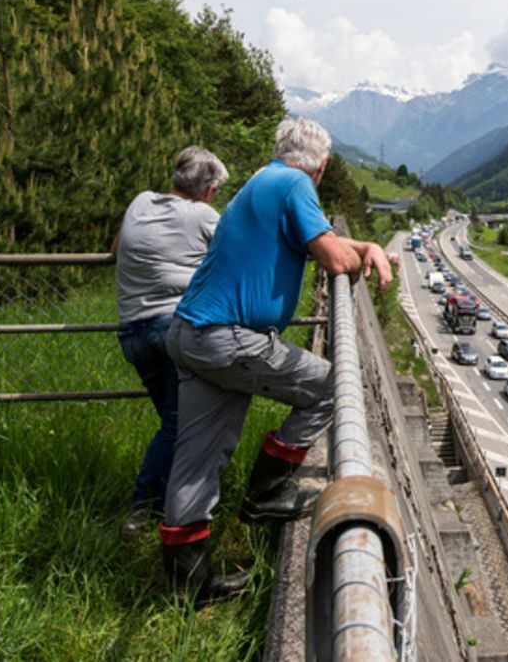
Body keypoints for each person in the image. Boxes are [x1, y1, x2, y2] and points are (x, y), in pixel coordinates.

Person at [159, 117, 392, 608]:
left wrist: (364, 247)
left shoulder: (263, 181)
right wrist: (362, 252)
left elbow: (322, 244)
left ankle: (188, 590)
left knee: (197, 461)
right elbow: (331, 257)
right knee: (334, 386)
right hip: (227, 338)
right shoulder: (295, 184)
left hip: (190, 332)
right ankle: (266, 495)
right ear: (322, 166)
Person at [114, 146, 227, 543]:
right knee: (181, 425)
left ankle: (165, 505)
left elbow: (116, 250)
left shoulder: (140, 202)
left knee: (176, 423)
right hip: (172, 331)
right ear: (210, 190)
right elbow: (236, 257)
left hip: (131, 333)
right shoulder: (203, 215)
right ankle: (143, 509)